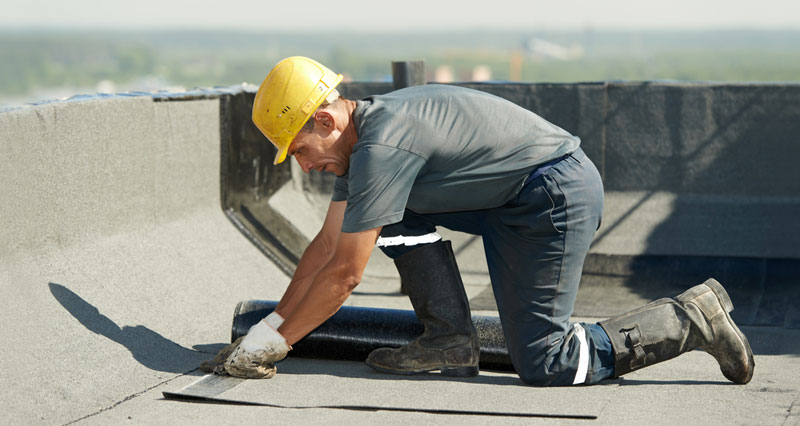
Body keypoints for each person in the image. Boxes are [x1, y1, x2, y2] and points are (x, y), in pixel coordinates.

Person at [206, 56, 754, 386]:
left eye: (301, 150)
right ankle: (449, 339)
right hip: (510, 199)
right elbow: (326, 250)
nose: (304, 166)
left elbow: (345, 276)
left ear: (325, 118)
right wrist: (268, 327)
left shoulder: (383, 144)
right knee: (384, 216)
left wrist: (276, 346)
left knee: (547, 362)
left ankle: (687, 320)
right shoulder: (359, 149)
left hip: (552, 197)